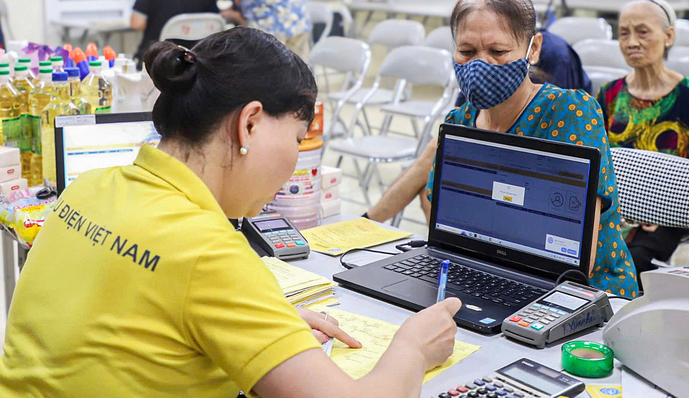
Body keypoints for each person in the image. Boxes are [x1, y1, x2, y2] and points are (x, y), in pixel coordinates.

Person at [0, 26, 461, 397]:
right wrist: (413, 349)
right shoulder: (208, 251)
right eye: (297, 140)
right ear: (250, 122)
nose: (294, 160)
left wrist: (254, 327)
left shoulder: (87, 189)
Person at [367, 0, 591, 223]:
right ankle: (365, 227)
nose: (480, 64)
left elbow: (572, 239)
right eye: (466, 50)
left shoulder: (569, 107)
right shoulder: (461, 119)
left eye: (497, 51)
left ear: (533, 47)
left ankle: (367, 222)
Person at [596, 0, 689, 281]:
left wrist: (660, 209)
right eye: (624, 33)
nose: (632, 42)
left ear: (668, 36)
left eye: (642, 32)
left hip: (668, 212)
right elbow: (599, 161)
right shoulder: (608, 94)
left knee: (628, 269)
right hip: (612, 210)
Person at [454, 0, 592, 107]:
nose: (486, 9)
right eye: (467, 51)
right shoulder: (470, 64)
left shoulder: (555, 54)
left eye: (497, 51)